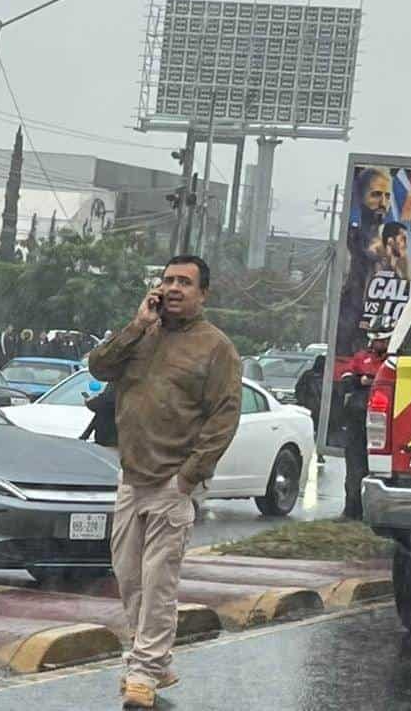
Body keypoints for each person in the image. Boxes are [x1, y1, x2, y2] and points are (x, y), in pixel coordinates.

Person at [88, 255, 241, 710]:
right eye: (168, 280)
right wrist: (138, 323)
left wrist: (188, 477)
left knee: (158, 581)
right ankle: (156, 658)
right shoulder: (142, 334)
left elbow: (224, 417)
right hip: (131, 477)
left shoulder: (216, 348)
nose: (174, 288)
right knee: (128, 576)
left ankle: (143, 671)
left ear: (203, 294)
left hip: (172, 482)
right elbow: (99, 366)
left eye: (185, 283)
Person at [337, 167, 392, 356]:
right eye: (376, 195)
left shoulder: (393, 242)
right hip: (351, 317)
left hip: (381, 322)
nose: (383, 203)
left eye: (387, 196)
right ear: (361, 197)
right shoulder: (352, 237)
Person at [340, 321, 392, 520]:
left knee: (381, 469)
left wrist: (374, 381)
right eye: (376, 339)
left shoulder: (394, 360)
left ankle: (379, 515)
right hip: (357, 420)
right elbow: (346, 380)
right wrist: (360, 381)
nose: (378, 344)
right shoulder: (362, 357)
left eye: (382, 340)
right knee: (354, 467)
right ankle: (351, 511)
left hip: (386, 424)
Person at [294, 355, 326, 436]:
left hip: (319, 406)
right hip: (310, 406)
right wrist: (303, 402)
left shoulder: (326, 376)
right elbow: (299, 389)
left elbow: (299, 389)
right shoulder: (308, 375)